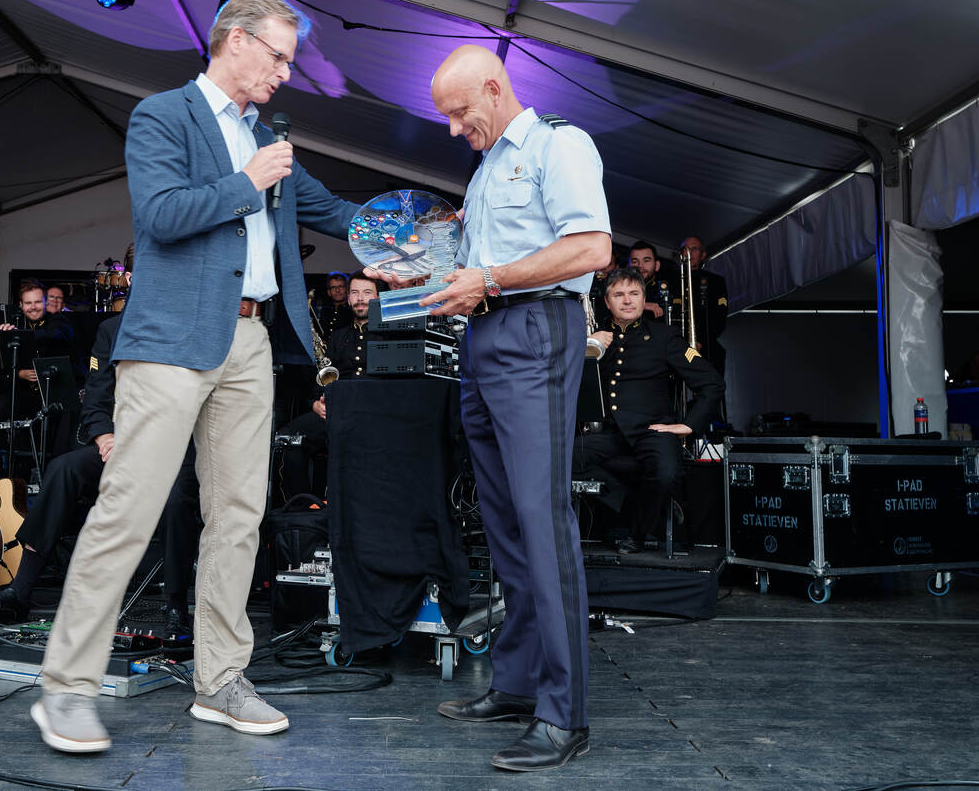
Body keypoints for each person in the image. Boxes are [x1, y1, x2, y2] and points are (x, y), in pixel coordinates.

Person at [30, 0, 358, 753]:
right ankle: (68, 688)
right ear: (235, 41)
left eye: (290, 61)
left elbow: (336, 212)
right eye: (278, 57)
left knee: (239, 515)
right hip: (171, 340)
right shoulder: (164, 116)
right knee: (128, 508)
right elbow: (163, 215)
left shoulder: (265, 138)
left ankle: (221, 680)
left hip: (250, 341)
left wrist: (414, 231)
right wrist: (249, 181)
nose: (286, 73)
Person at [416, 44, 610, 772]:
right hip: (485, 336)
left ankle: (565, 716)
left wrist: (490, 279)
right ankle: (521, 681)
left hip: (534, 328)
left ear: (495, 89)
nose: (453, 128)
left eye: (460, 112)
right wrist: (426, 271)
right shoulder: (485, 167)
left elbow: (592, 247)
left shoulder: (560, 144)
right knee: (501, 522)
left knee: (541, 517)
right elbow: (480, 268)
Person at [0, 257, 200, 637]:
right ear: (131, 277)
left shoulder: (193, 326)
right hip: (121, 446)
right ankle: (19, 593)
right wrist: (104, 436)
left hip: (175, 450)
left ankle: (176, 607)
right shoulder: (111, 330)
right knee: (63, 469)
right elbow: (96, 396)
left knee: (176, 501)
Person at [589, 267, 724, 550]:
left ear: (643, 298)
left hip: (652, 432)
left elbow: (712, 383)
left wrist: (689, 425)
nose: (628, 300)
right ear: (607, 302)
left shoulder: (665, 337)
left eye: (634, 293)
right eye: (619, 295)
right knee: (559, 459)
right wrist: (586, 347)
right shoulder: (595, 338)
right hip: (611, 434)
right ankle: (639, 502)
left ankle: (638, 533)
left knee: (666, 473)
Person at [277, 271, 382, 500]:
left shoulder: (389, 335)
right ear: (348, 298)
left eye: (367, 293)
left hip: (373, 415)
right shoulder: (338, 337)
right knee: (287, 438)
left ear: (377, 298)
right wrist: (315, 403)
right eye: (355, 293)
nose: (360, 298)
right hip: (335, 413)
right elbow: (323, 377)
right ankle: (304, 508)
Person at [672, 235, 729, 375]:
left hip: (706, 345)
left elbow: (719, 317)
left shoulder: (715, 281)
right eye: (686, 249)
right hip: (676, 346)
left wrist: (700, 342)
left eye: (694, 249)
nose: (689, 253)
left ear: (703, 254)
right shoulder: (672, 281)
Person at [628, 239, 672, 322]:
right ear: (628, 265)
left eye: (646, 260)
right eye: (635, 261)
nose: (640, 266)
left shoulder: (665, 288)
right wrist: (642, 305)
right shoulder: (618, 287)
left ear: (657, 265)